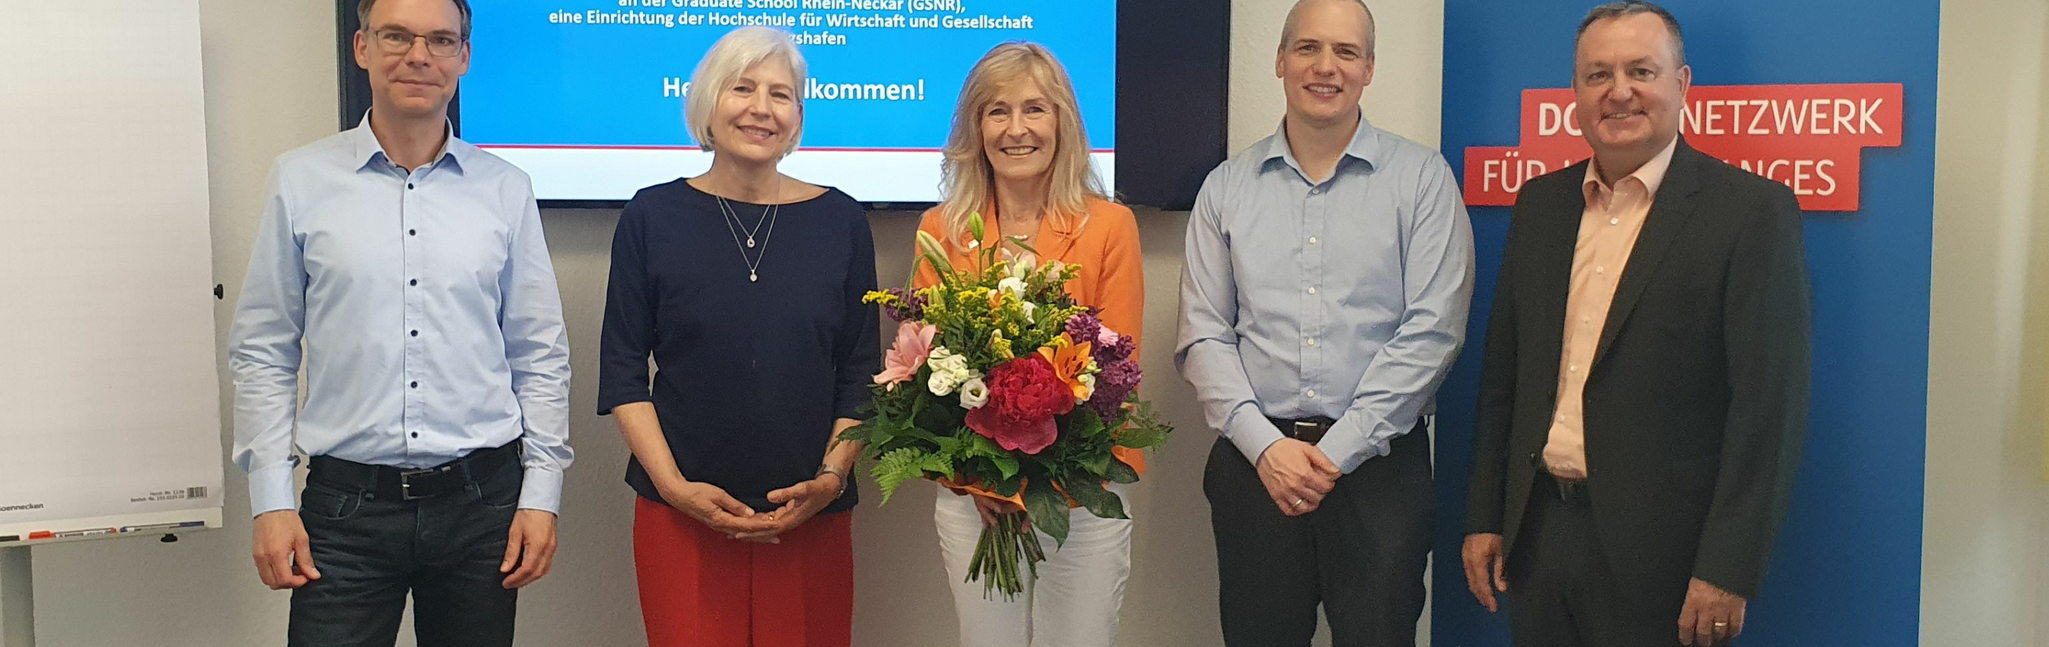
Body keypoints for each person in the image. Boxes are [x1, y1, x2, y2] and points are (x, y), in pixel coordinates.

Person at [1459, 3, 1811, 646]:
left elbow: (1768, 411)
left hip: (1668, 562)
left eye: (1640, 70)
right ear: (1576, 94)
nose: (1618, 90)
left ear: (1682, 84)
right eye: (1598, 74)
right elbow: (1503, 375)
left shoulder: (1750, 213)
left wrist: (1727, 568)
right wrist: (1487, 515)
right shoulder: (1540, 204)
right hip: (1537, 541)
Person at [228, 0, 572, 645]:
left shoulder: (505, 188)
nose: (420, 55)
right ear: (361, 48)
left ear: (463, 58)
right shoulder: (300, 179)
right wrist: (271, 498)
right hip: (345, 512)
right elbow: (263, 350)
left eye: (441, 40)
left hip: (482, 505)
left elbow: (538, 353)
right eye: (397, 36)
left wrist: (540, 495)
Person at [1174, 0, 1476, 643]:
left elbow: (1433, 331)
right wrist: (1267, 447)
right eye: (1308, 48)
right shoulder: (1225, 188)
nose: (1325, 67)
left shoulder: (1423, 181)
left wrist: (1334, 453)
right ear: (1280, 61)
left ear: (1369, 68)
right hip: (1255, 467)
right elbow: (1203, 333)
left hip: (1378, 471)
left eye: (1346, 52)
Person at [596, 25, 880, 647]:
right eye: (742, 88)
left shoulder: (842, 219)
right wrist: (675, 490)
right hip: (681, 513)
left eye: (781, 94)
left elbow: (862, 373)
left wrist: (830, 480)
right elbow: (621, 370)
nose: (761, 108)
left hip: (812, 511)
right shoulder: (650, 215)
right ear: (706, 104)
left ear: (798, 115)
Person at [910, 42, 1146, 647]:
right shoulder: (942, 229)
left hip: (1082, 491)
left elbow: (1117, 373)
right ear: (975, 128)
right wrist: (987, 483)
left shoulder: (1110, 226)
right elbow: (930, 370)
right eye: (997, 111)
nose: (1016, 129)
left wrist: (1039, 484)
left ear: (1062, 122)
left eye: (1034, 110)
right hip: (975, 499)